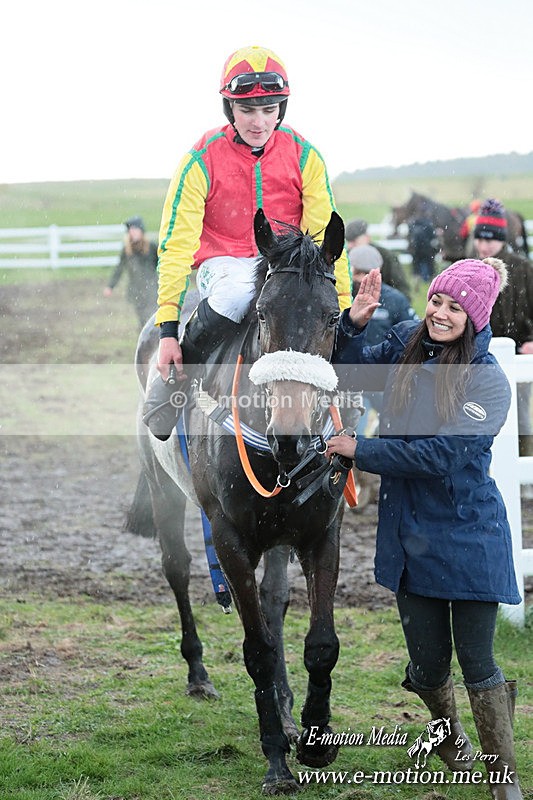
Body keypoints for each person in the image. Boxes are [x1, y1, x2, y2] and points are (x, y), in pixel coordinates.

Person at [328, 259, 523, 798]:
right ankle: (452, 740)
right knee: (428, 663)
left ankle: (503, 781)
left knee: (477, 658)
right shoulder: (404, 342)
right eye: (437, 300)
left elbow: (442, 455)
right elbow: (349, 377)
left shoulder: (489, 382)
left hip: (469, 532)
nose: (439, 313)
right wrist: (355, 324)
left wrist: (361, 450)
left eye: (455, 307)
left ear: (475, 316)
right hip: (408, 530)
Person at [143, 45, 352, 440]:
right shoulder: (200, 160)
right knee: (238, 293)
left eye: (269, 109)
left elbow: (325, 239)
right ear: (229, 108)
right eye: (247, 110)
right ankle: (177, 380)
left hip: (282, 265)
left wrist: (340, 303)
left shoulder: (305, 156)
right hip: (223, 263)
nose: (259, 122)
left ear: (281, 109)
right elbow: (176, 245)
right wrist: (168, 328)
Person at [472, 198, 533, 457]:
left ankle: (524, 471)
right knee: (475, 414)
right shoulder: (468, 266)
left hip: (518, 351)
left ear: (502, 239)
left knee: (518, 414)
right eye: (480, 239)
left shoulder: (524, 268)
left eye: (490, 240)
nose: (484, 246)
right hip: (476, 356)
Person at [348, 244, 418, 437]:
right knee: (355, 433)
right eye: (357, 272)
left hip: (384, 378)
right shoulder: (343, 298)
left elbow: (413, 335)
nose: (361, 279)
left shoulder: (395, 300)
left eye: (365, 273)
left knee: (397, 426)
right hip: (353, 377)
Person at [103, 216, 158, 330]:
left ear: (141, 231)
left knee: (153, 318)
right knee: (142, 319)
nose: (132, 233)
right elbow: (119, 268)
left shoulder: (152, 247)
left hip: (152, 290)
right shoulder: (127, 250)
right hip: (136, 291)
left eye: (135, 230)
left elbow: (161, 265)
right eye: (130, 231)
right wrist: (110, 286)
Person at [345, 217, 412, 299]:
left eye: (354, 241)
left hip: (383, 301)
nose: (350, 246)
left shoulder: (386, 256)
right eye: (348, 242)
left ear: (367, 237)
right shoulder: (344, 257)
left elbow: (400, 286)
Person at [407, 209, 439, 283]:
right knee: (429, 264)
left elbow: (409, 236)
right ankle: (430, 280)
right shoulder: (428, 224)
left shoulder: (412, 224)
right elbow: (433, 237)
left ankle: (417, 280)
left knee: (416, 265)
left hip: (415, 249)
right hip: (427, 249)